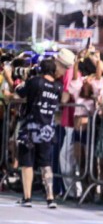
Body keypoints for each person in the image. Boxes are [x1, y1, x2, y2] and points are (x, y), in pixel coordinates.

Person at [3, 49, 74, 207]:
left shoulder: (35, 82)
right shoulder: (57, 87)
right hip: (47, 129)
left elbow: (19, 92)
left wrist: (18, 79)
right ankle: (50, 198)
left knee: (27, 163)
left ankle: (27, 198)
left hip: (30, 126)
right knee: (45, 163)